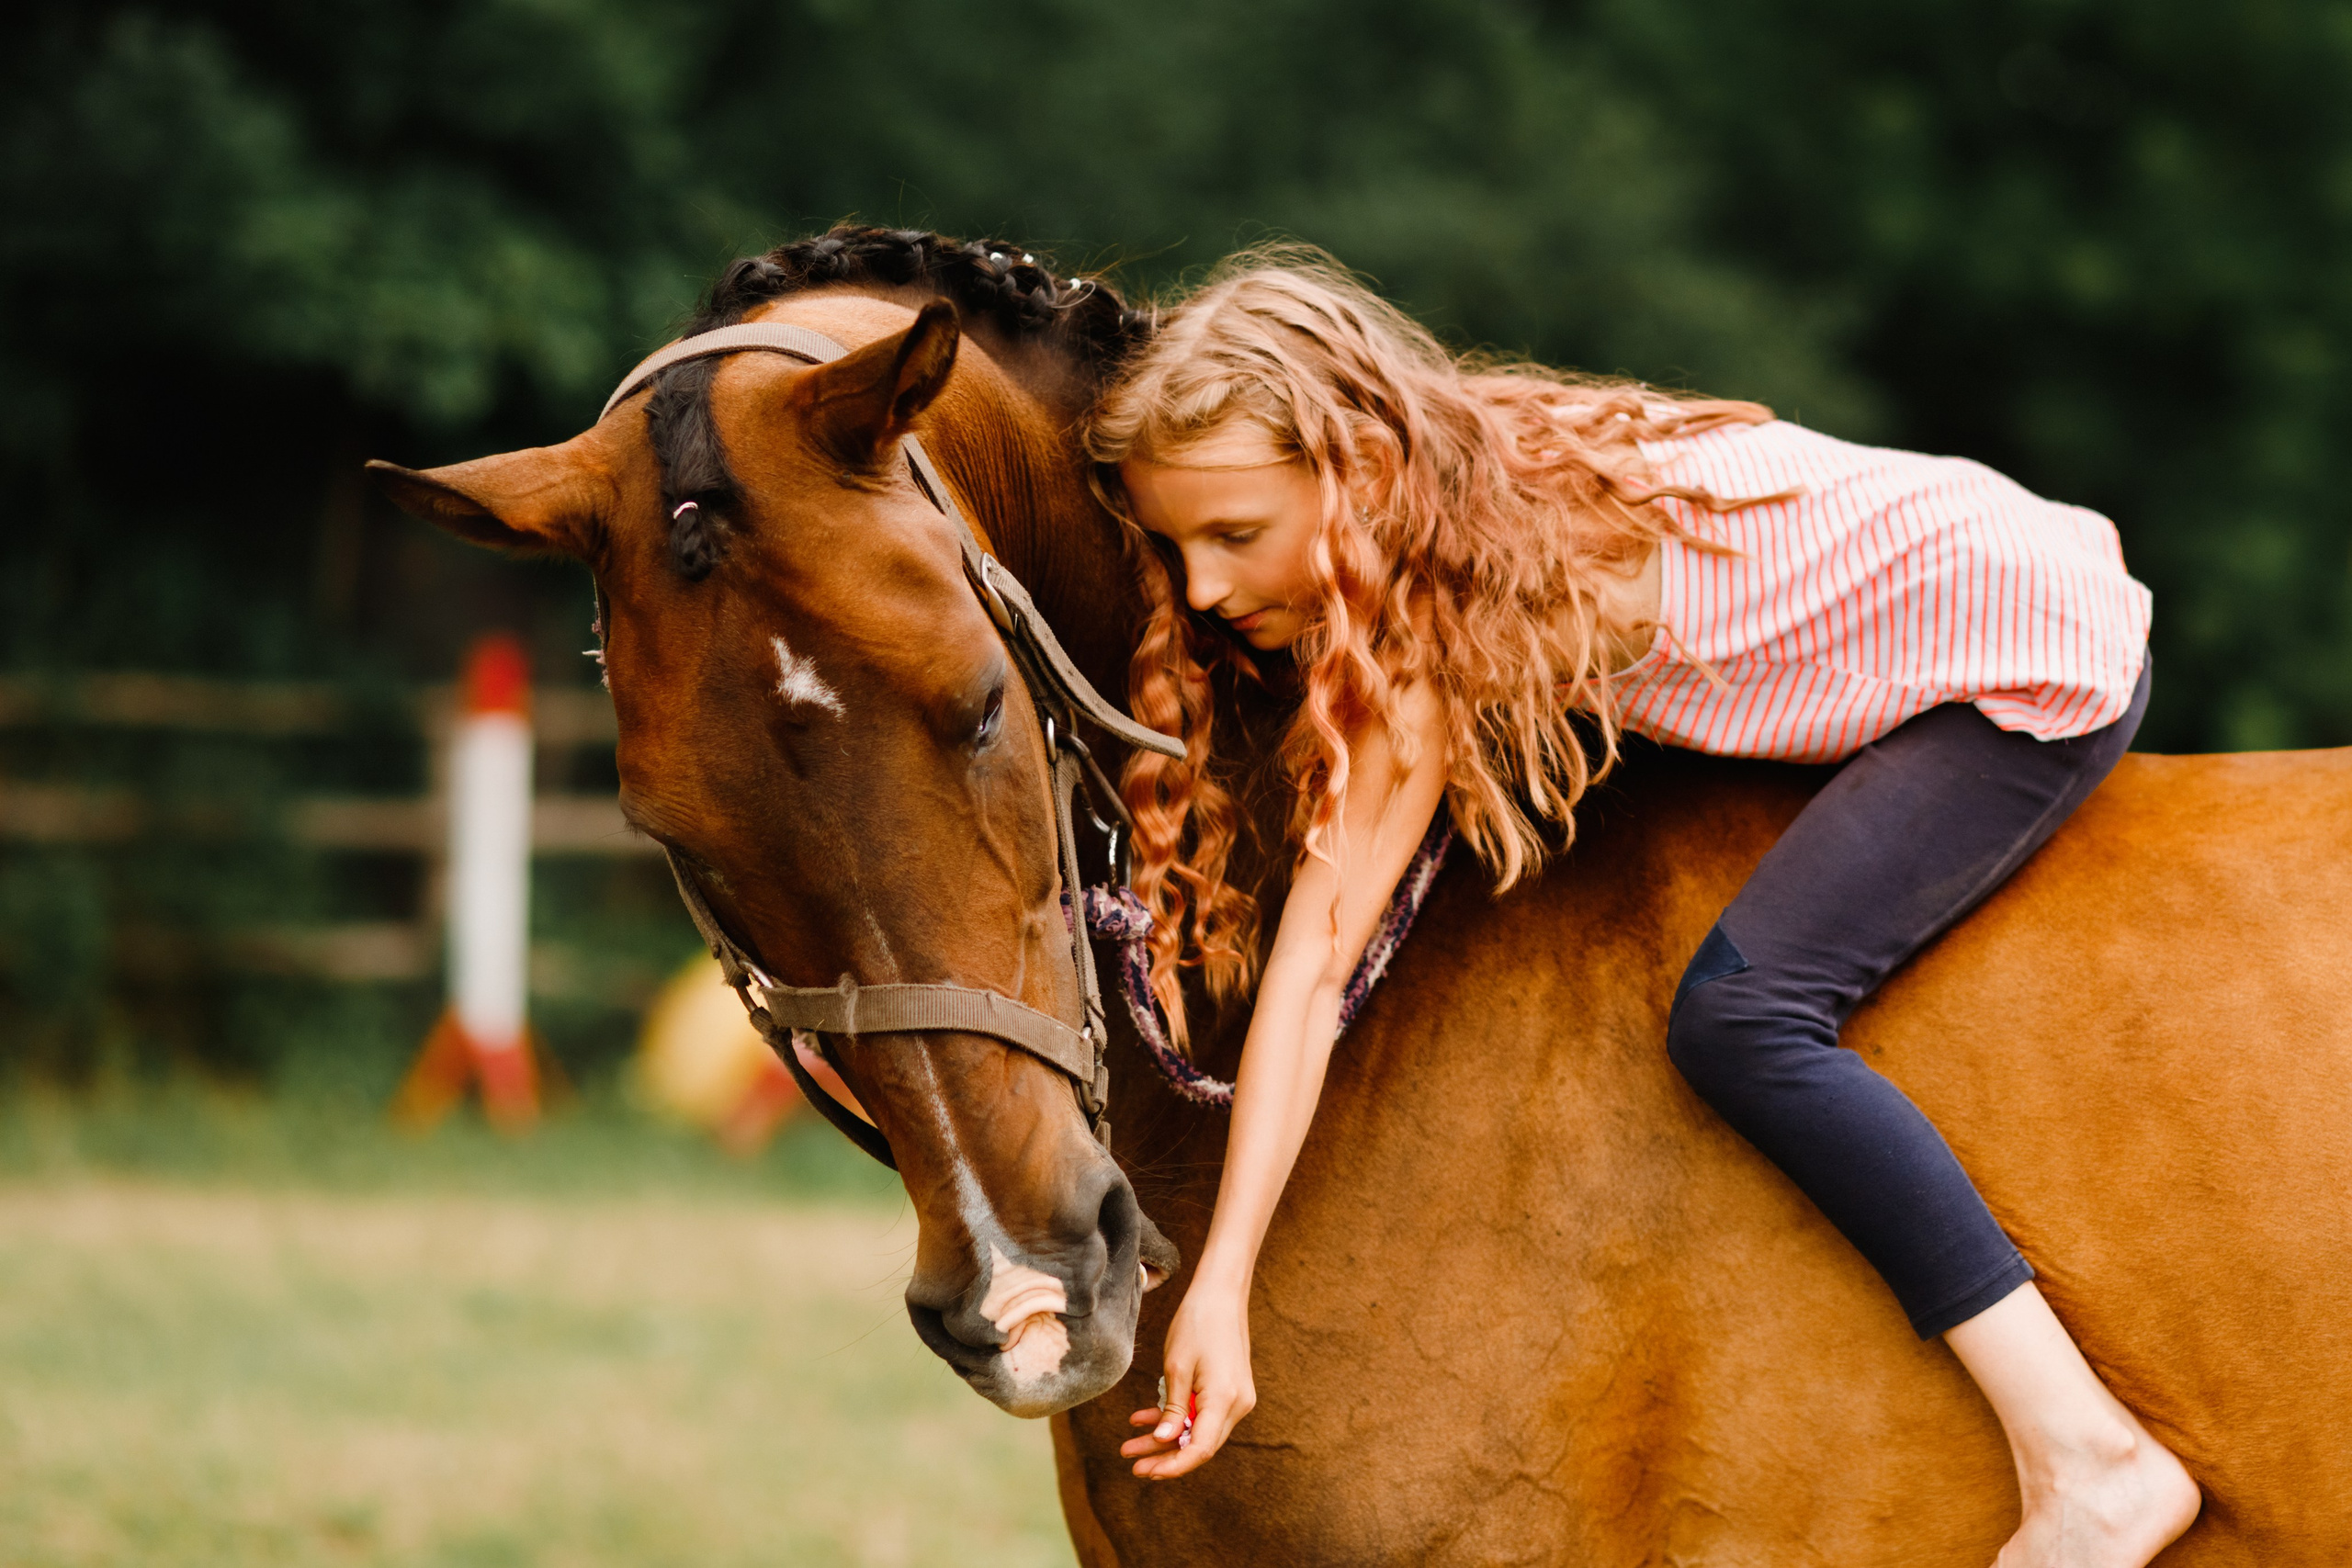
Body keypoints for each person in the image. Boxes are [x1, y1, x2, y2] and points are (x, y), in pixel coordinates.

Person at [1080, 249, 2200, 1566]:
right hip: (1983, 563)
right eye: (1175, 547)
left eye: (1234, 537)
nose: (1204, 590)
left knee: (1744, 1016)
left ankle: (2093, 1458)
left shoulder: (1464, 608)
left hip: (2020, 665)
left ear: (1358, 473)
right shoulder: (1465, 477)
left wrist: (1225, 1284)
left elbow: (1315, 968)